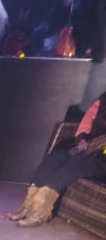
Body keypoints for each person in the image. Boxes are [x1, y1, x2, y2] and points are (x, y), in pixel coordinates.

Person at [7, 90, 106, 224]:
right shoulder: (103, 99)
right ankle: (28, 206)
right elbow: (88, 120)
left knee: (78, 162)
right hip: (90, 145)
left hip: (102, 157)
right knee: (58, 156)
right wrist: (82, 139)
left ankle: (41, 211)